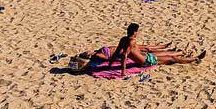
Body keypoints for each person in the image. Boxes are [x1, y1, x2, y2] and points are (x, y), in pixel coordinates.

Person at [75, 23, 206, 72]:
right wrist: (123, 71)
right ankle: (194, 59)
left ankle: (185, 53)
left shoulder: (123, 39)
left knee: (168, 55)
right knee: (171, 59)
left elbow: (115, 55)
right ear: (135, 32)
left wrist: (109, 65)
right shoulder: (131, 42)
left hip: (146, 57)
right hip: (146, 61)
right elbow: (124, 56)